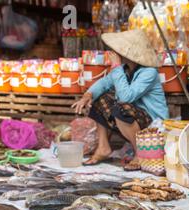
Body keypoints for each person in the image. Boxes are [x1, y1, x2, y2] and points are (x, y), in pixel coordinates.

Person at [71, 29, 169, 170]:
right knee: (100, 99)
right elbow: (104, 83)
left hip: (153, 123)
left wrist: (116, 66)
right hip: (135, 117)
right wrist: (87, 96)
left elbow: (126, 97)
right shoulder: (125, 69)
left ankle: (140, 154)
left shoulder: (149, 72)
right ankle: (103, 147)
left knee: (121, 108)